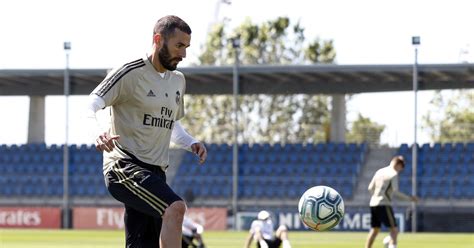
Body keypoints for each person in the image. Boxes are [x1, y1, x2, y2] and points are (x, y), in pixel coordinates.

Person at [85, 15, 207, 247]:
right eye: (179, 46)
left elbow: (171, 123)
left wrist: (191, 142)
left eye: (187, 47)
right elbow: (91, 104)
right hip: (124, 165)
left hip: (155, 171)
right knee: (175, 207)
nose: (184, 54)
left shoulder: (178, 80)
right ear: (158, 39)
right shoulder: (129, 72)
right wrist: (98, 133)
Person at [365, 156, 419, 248]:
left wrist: (376, 196)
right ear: (398, 164)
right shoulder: (393, 174)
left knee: (374, 230)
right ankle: (391, 245)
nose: (400, 170)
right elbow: (395, 192)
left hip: (373, 203)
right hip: (384, 204)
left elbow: (370, 188)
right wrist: (410, 198)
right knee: (394, 230)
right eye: (401, 167)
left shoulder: (379, 171)